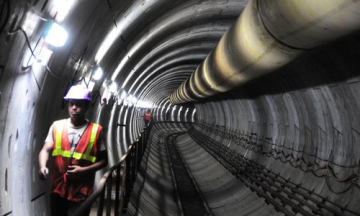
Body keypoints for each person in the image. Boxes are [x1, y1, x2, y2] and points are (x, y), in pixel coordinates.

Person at [38, 85, 108, 216]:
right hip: (58, 189)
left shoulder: (96, 130)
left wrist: (83, 171)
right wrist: (42, 166)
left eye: (78, 104)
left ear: (87, 106)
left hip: (80, 192)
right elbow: (45, 150)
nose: (74, 108)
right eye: (71, 104)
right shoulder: (57, 126)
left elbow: (104, 161)